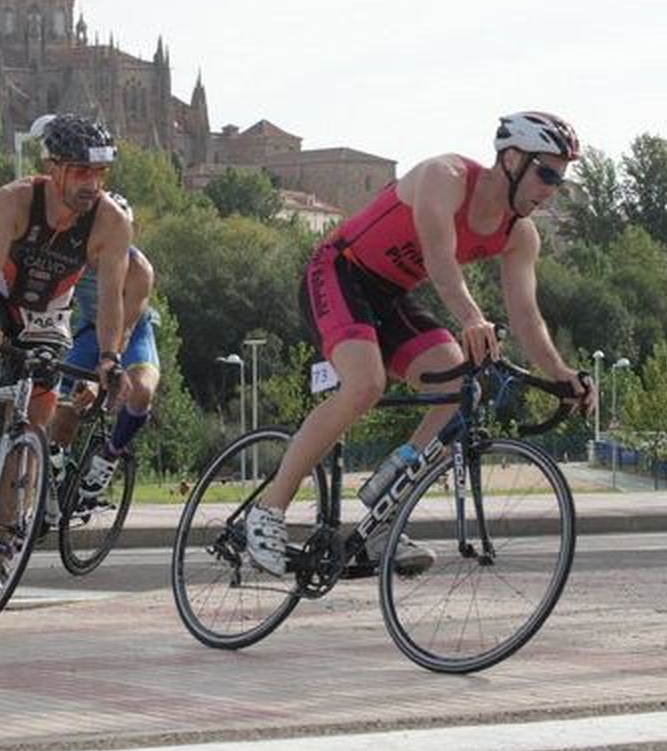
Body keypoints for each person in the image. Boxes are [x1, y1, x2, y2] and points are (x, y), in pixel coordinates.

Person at [245, 111, 596, 577]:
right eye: (546, 172)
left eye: (560, 178)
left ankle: (386, 510)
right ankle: (268, 510)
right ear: (512, 159)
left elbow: (527, 316)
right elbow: (438, 257)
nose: (551, 187)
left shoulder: (520, 235)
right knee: (365, 383)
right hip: (339, 271)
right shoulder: (444, 177)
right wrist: (471, 317)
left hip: (391, 296)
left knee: (459, 391)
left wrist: (562, 374)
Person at [0, 114, 132, 486]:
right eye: (81, 171)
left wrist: (109, 357)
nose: (92, 184)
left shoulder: (111, 222)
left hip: (48, 312)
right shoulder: (13, 201)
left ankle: (6, 534)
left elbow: (111, 297)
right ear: (53, 168)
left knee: (36, 416)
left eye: (100, 173)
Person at [47, 232, 162, 506]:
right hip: (90, 332)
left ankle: (110, 455)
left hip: (132, 334)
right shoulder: (73, 255)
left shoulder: (139, 269)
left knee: (142, 390)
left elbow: (124, 332)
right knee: (61, 407)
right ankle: (56, 469)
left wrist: (102, 379)